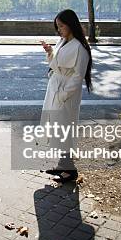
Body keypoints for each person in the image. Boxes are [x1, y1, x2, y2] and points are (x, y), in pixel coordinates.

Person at [40, 9, 92, 183]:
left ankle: (70, 170)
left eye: (61, 26)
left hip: (66, 93)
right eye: (57, 26)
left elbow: (78, 76)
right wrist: (49, 52)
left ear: (71, 25)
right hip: (55, 87)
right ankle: (62, 165)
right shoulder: (62, 41)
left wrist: (63, 94)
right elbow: (56, 65)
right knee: (56, 126)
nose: (59, 29)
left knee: (64, 127)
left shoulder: (81, 48)